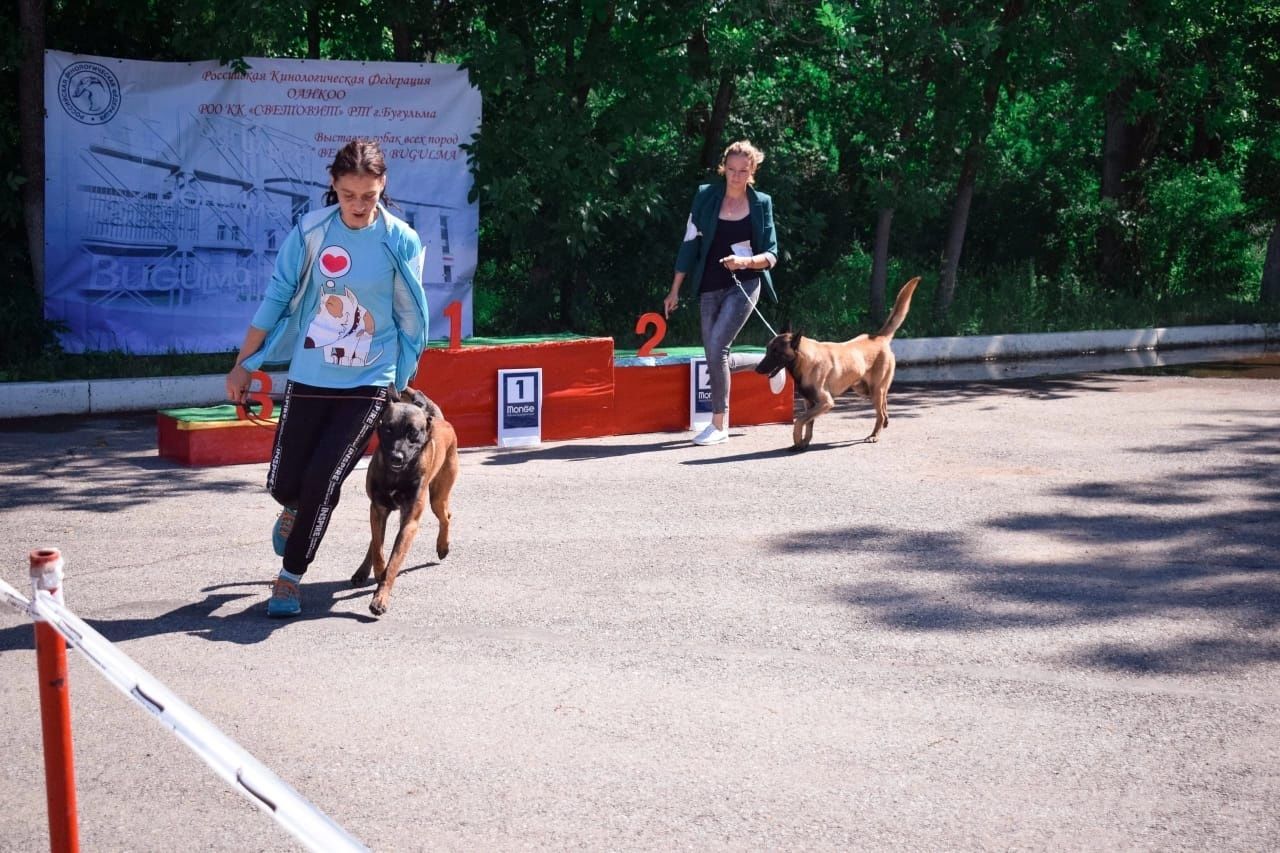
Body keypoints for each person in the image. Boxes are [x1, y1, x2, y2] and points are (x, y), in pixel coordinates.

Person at [225, 139, 428, 617]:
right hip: (311, 374)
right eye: (348, 195)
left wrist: (401, 377)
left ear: (383, 188)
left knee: (324, 478)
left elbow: (408, 314)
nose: (358, 206)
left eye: (368, 196)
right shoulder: (311, 232)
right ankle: (291, 507)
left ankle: (289, 579)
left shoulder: (401, 240)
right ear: (333, 187)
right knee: (284, 481)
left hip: (369, 380)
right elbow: (277, 298)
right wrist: (245, 364)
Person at [664, 140, 783, 446]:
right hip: (708, 285)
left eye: (743, 171)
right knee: (715, 355)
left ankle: (719, 424)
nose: (736, 176)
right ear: (723, 168)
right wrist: (675, 289)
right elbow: (689, 243)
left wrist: (744, 262)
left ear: (752, 170)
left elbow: (771, 255)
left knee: (717, 347)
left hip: (745, 284)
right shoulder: (705, 197)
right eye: (731, 169)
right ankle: (771, 362)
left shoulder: (762, 203)